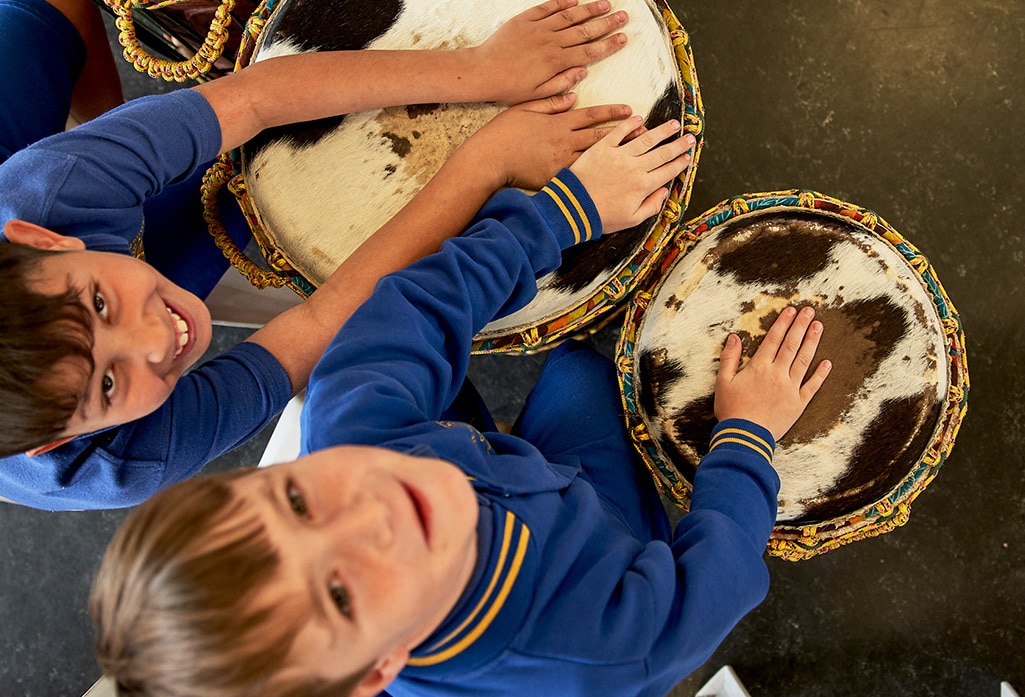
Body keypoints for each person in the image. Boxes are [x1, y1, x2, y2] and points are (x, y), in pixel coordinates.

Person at [88, 115, 833, 697]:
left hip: (509, 471)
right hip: (600, 542)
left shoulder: (353, 431)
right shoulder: (593, 653)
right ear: (380, 672)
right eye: (341, 594)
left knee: (577, 367)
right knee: (591, 386)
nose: (367, 512)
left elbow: (421, 303)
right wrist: (745, 435)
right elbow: (721, 575)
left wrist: (563, 212)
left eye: (296, 500)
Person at [0, 0, 634, 509]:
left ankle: (117, 143)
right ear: (58, 441)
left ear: (40, 238)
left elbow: (252, 98)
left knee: (47, 14)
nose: (153, 338)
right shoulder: (118, 463)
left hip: (57, 189)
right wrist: (482, 164)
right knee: (229, 201)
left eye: (103, 303)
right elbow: (320, 323)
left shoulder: (48, 189)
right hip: (80, 225)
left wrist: (486, 67)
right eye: (109, 383)